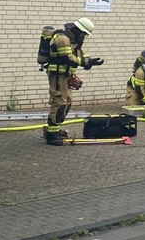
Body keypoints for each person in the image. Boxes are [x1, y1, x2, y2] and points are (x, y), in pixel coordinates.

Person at [44, 17, 103, 145]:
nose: (84, 37)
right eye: (84, 34)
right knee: (59, 102)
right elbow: (68, 58)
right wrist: (84, 62)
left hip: (66, 75)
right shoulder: (62, 39)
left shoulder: (73, 40)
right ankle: (51, 135)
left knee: (67, 102)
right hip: (57, 75)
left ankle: (56, 129)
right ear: (78, 30)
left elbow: (80, 54)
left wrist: (90, 61)